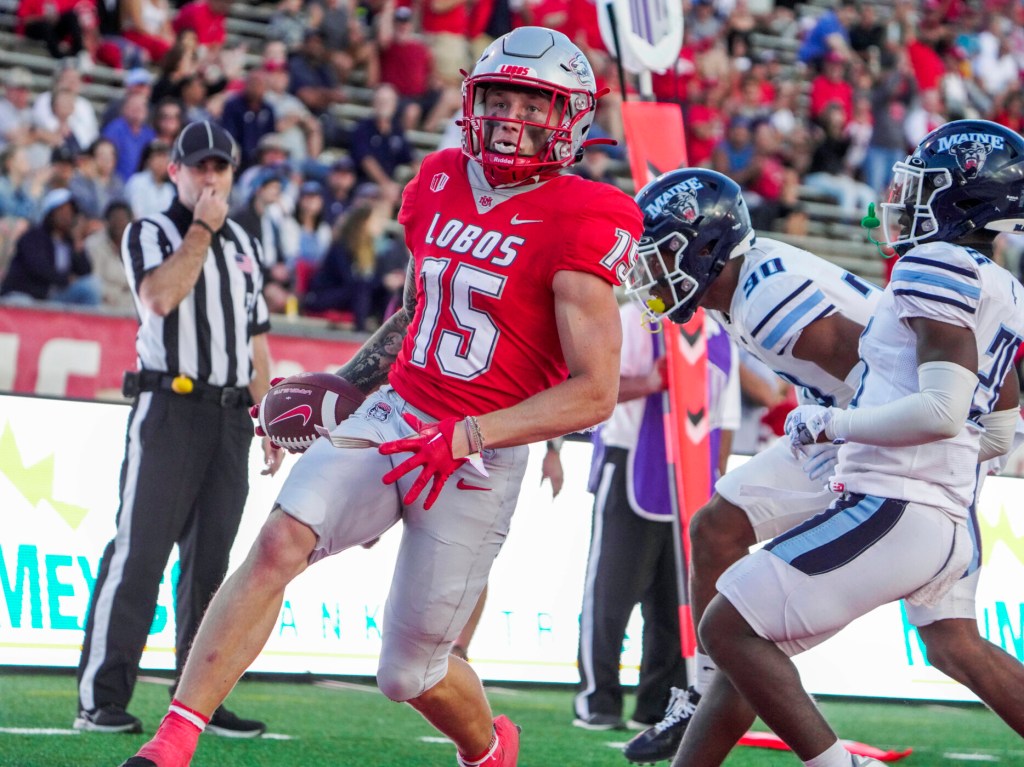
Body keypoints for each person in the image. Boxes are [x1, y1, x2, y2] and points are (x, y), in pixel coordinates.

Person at [117, 26, 642, 767]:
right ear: (471, 97)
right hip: (398, 410)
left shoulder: (586, 213)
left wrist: (466, 436)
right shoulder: (437, 178)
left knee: (409, 672)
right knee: (279, 539)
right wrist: (348, 382)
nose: (511, 116)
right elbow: (414, 313)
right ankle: (172, 742)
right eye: (499, 95)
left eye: (535, 101)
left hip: (481, 453)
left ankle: (491, 748)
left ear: (574, 118)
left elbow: (594, 392)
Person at [622, 122, 1024, 767]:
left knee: (737, 613)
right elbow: (982, 371)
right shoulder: (748, 287)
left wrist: (838, 434)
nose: (651, 274)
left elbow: (881, 379)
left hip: (894, 457)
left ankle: (723, 693)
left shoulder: (772, 293)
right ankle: (708, 690)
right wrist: (991, 432)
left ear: (702, 247)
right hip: (919, 455)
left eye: (662, 254)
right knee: (949, 642)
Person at [75, 120, 282, 737]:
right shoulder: (152, 230)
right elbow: (159, 298)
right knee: (140, 552)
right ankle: (101, 697)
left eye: (221, 167)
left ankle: (201, 700)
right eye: (200, 167)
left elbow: (256, 339)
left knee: (212, 567)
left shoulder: (246, 243)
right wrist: (202, 230)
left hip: (228, 416)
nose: (211, 177)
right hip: (170, 408)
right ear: (175, 172)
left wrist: (268, 415)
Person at [573, 303, 739, 732]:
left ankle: (658, 705)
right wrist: (653, 380)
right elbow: (594, 387)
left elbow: (725, 417)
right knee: (611, 593)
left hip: (695, 475)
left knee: (674, 598)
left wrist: (716, 480)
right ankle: (598, 700)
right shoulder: (631, 318)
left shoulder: (722, 332)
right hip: (630, 461)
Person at [0, 187, 98, 305]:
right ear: (50, 213)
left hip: (52, 296)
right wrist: (66, 279)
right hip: (26, 294)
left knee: (90, 286)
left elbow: (85, 271)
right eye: (62, 211)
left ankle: (85, 324)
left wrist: (78, 245)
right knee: (23, 304)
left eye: (70, 212)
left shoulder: (69, 242)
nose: (67, 216)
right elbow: (38, 268)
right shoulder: (33, 236)